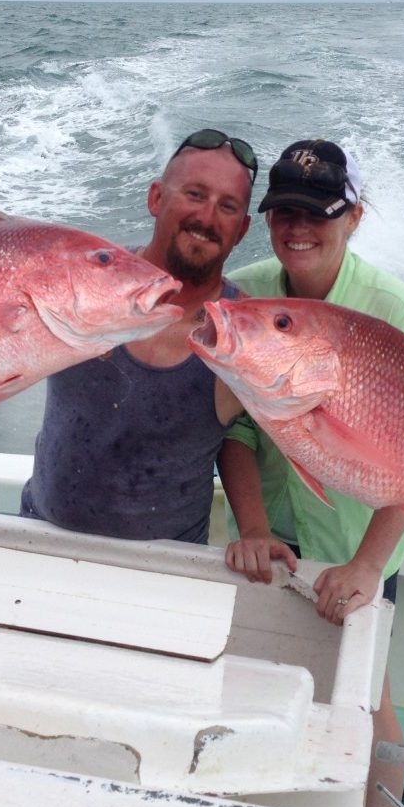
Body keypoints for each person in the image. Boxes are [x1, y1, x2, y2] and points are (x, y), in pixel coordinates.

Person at [217, 139, 404, 807]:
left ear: (355, 217)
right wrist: (252, 528)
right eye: (283, 210)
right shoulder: (245, 297)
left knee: (367, 696)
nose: (297, 227)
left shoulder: (393, 310)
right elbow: (236, 431)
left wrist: (368, 566)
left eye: (318, 212)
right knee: (252, 682)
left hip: (355, 538)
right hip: (270, 527)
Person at [20, 129, 255, 544]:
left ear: (242, 230)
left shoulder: (247, 336)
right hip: (38, 536)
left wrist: (256, 532)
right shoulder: (80, 283)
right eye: (195, 195)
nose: (207, 217)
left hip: (164, 573)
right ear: (155, 198)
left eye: (228, 206)